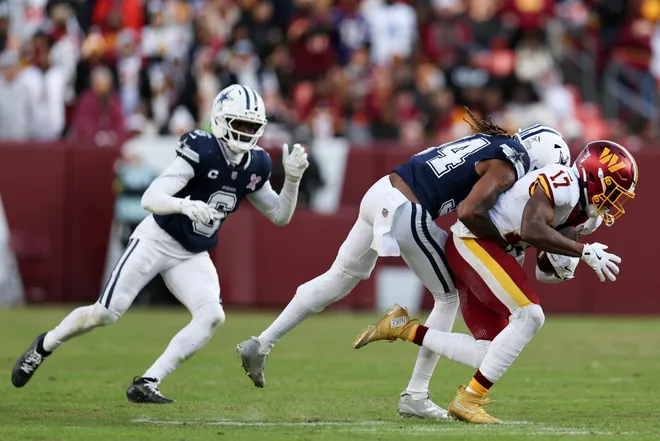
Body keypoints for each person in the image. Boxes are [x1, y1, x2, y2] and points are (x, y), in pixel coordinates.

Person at [238, 112, 570, 419]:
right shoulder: (510, 162)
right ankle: (415, 394)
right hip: (405, 208)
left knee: (338, 278)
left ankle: (262, 342)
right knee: (449, 297)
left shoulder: (495, 144)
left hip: (382, 191)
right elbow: (470, 211)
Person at [11, 84, 309, 403]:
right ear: (221, 120)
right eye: (240, 124)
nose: (246, 133)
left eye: (252, 127)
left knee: (212, 316)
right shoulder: (202, 149)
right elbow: (150, 197)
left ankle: (148, 382)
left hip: (192, 251)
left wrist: (291, 180)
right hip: (157, 238)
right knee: (105, 314)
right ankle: (45, 345)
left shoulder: (256, 164)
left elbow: (280, 216)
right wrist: (184, 204)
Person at [354, 140, 637, 423]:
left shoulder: (584, 212)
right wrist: (583, 252)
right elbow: (532, 228)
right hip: (472, 242)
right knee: (530, 315)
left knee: (489, 354)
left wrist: (563, 258)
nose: (614, 201)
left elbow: (544, 264)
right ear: (594, 177)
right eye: (614, 190)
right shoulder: (563, 182)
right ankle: (468, 401)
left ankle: (404, 328)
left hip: (486, 248)